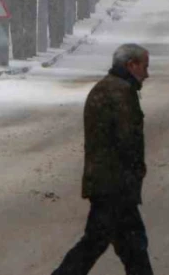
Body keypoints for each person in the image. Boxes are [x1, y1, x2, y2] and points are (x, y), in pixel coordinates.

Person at [52, 44, 153, 275]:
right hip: (115, 186)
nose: (147, 74)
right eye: (145, 67)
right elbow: (127, 140)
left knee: (129, 246)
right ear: (131, 65)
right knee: (102, 244)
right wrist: (136, 170)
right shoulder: (120, 93)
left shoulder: (107, 88)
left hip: (108, 183)